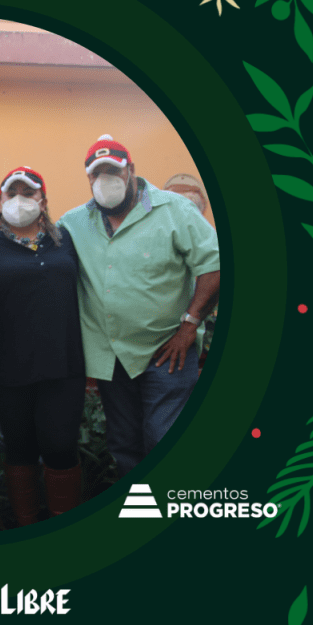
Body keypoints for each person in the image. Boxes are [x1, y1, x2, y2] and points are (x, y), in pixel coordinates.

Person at [57, 135, 220, 476]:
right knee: (124, 444)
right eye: (96, 173)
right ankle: (138, 507)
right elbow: (38, 249)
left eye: (113, 171)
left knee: (165, 437)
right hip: (112, 356)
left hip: (167, 350)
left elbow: (214, 265)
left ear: (130, 169)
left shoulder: (176, 211)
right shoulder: (73, 223)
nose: (105, 180)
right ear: (88, 178)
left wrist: (190, 324)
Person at [0, 167, 85, 525]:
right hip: (7, 366)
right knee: (19, 448)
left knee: (60, 447)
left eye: (29, 193)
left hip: (64, 364)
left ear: (43, 200)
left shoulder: (66, 241)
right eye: (12, 193)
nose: (20, 200)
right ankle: (26, 525)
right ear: (0, 200)